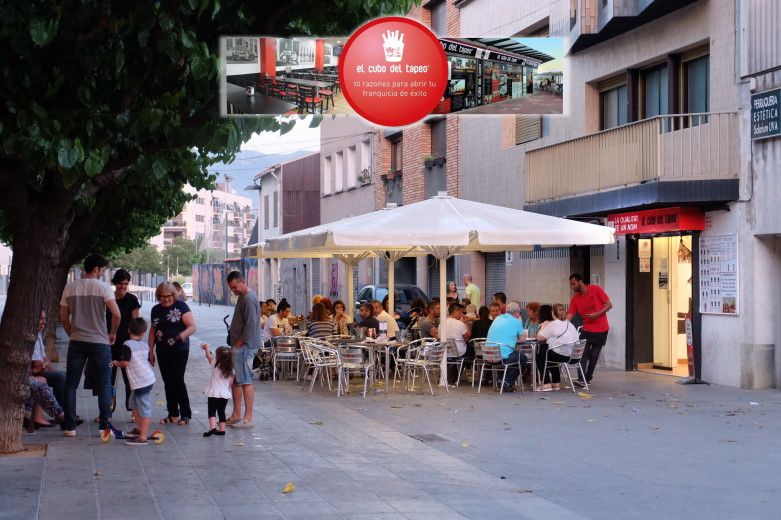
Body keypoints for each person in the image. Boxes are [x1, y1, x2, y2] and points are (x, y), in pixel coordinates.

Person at [60, 253, 123, 438]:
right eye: (103, 270)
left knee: (71, 384)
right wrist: (112, 333)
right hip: (99, 342)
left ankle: (70, 427)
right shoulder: (103, 288)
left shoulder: (69, 287)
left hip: (77, 341)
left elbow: (63, 317)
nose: (103, 273)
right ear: (96, 269)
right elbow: (117, 314)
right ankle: (104, 427)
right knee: (104, 384)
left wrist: (71, 332)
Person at [150, 281, 196, 425]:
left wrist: (183, 334)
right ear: (158, 296)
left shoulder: (181, 306)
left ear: (173, 295)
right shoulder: (155, 309)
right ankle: (173, 414)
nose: (166, 299)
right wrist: (150, 351)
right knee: (167, 381)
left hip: (179, 350)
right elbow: (152, 331)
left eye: (168, 296)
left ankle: (186, 414)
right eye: (162, 296)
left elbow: (192, 327)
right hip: (162, 350)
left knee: (177, 380)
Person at [111, 318, 156, 445]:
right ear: (143, 333)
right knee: (134, 404)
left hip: (141, 382)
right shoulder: (145, 346)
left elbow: (125, 362)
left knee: (143, 406)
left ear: (128, 330)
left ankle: (143, 437)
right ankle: (139, 429)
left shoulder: (127, 345)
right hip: (145, 380)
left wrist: (116, 363)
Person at [225, 271, 260, 429]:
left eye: (235, 287)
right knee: (237, 381)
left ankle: (247, 417)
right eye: (231, 288)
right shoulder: (243, 297)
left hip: (245, 346)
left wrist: (240, 342)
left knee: (245, 381)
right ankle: (236, 414)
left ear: (243, 282)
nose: (234, 291)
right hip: (241, 345)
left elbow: (251, 324)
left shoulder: (248, 298)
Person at [567, 273, 612, 386]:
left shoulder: (595, 289)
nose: (572, 287)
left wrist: (597, 314)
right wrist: (561, 325)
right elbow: (570, 315)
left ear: (580, 281)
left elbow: (609, 305)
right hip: (586, 329)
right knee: (582, 353)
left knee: (594, 355)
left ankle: (588, 377)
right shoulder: (575, 299)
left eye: (573, 284)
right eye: (571, 285)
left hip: (601, 329)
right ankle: (581, 378)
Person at [107, 268, 141, 418]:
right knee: (108, 378)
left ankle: (132, 410)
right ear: (115, 283)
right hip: (109, 342)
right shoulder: (108, 298)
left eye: (125, 284)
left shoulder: (132, 299)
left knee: (129, 378)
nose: (122, 286)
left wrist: (135, 343)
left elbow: (135, 323)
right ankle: (107, 410)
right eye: (120, 283)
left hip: (127, 344)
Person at [485, 301, 528, 393]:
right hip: (502, 356)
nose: (519, 314)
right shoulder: (517, 322)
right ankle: (506, 382)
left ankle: (501, 380)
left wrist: (509, 339)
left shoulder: (497, 319)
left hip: (489, 355)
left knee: (512, 356)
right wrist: (513, 340)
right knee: (522, 358)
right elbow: (523, 339)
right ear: (516, 312)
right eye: (519, 312)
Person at [536, 304, 579, 391]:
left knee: (540, 355)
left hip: (563, 355)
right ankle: (556, 383)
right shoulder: (570, 324)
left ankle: (546, 383)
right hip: (574, 356)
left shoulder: (552, 325)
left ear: (553, 313)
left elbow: (539, 338)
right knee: (550, 353)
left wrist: (543, 326)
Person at [31, 310, 66, 408]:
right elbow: (36, 364)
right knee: (60, 377)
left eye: (45, 318)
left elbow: (45, 358)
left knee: (66, 376)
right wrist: (43, 365)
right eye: (41, 319)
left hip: (41, 369)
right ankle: (60, 411)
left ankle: (68, 411)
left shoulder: (38, 334)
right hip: (33, 372)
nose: (44, 321)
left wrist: (51, 369)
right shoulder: (31, 335)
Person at [200, 343, 233, 437]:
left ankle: (212, 428)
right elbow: (231, 382)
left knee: (212, 411)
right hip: (224, 394)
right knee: (221, 411)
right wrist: (226, 390)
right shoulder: (231, 368)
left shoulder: (215, 364)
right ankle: (222, 430)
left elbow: (209, 357)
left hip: (213, 393)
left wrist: (206, 349)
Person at [442, 302, 471, 385]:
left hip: (445, 351)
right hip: (459, 352)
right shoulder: (460, 324)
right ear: (456, 311)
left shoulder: (442, 323)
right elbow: (468, 337)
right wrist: (465, 323)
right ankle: (462, 373)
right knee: (470, 351)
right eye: (461, 312)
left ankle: (453, 374)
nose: (462, 315)